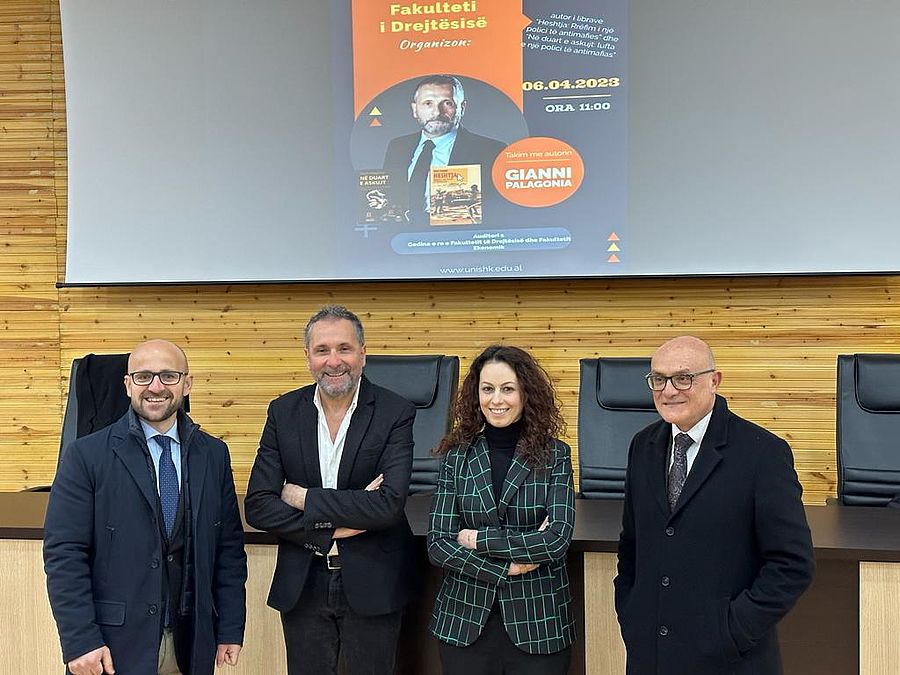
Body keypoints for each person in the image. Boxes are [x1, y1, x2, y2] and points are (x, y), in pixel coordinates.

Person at [44, 339, 247, 675]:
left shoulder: (213, 454)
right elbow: (64, 554)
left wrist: (229, 627)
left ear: (186, 383)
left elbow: (228, 550)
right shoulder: (85, 456)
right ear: (127, 385)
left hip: (190, 645)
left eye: (168, 376)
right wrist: (80, 640)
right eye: (143, 377)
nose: (155, 387)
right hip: (111, 649)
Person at [615, 336, 815, 675]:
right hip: (650, 656)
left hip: (729, 660)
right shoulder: (643, 446)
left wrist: (733, 631)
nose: (668, 391)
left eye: (683, 378)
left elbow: (792, 564)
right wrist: (631, 614)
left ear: (714, 380)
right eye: (658, 379)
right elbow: (632, 544)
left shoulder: (762, 452)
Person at [244, 305, 417, 675]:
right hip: (303, 582)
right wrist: (332, 529)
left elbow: (388, 505)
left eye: (344, 348)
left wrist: (302, 497)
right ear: (308, 356)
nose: (334, 361)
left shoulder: (395, 412)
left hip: (373, 581)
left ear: (363, 354)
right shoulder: (283, 412)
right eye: (322, 350)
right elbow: (258, 504)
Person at [428, 344, 576, 674]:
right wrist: (508, 568)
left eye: (507, 389)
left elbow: (555, 540)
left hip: (538, 624)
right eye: (488, 389)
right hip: (464, 622)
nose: (496, 400)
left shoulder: (555, 455)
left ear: (526, 394)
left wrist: (477, 539)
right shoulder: (457, 457)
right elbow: (438, 544)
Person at [383, 74, 507, 224]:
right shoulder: (397, 147)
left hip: (459, 236)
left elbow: (499, 213)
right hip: (401, 235)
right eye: (428, 103)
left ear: (462, 108)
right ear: (415, 109)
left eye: (447, 103)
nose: (437, 112)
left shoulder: (493, 152)